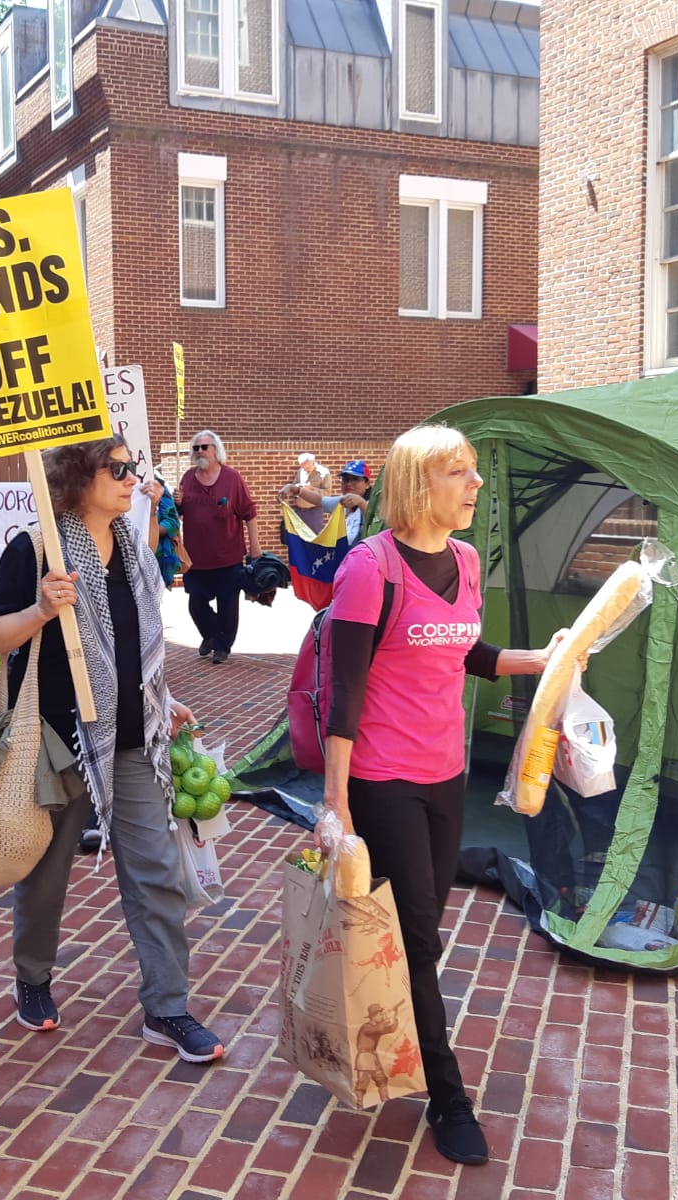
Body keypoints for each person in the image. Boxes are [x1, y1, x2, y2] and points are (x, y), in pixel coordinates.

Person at [320, 424, 559, 1166]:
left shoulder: (462, 559)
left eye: (475, 473)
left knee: (416, 930)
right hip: (382, 780)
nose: (476, 485)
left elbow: (466, 652)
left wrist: (545, 661)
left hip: (444, 776)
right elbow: (343, 693)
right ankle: (447, 1093)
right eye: (461, 472)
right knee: (420, 937)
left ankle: (390, 1038)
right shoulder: (369, 568)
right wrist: (336, 803)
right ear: (420, 483)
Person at [0, 435, 224, 1063]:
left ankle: (167, 1008)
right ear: (75, 476)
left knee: (157, 874)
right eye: (115, 469)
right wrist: (38, 609)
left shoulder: (138, 557)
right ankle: (32, 978)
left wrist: (162, 702)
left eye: (131, 468)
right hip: (58, 741)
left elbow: (131, 648)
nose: (128, 478)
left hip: (133, 737)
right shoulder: (38, 548)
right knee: (45, 874)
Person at [176, 430, 260, 664]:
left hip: (227, 555)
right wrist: (177, 503)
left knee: (228, 604)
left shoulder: (232, 478)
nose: (200, 451)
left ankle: (223, 646)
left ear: (216, 450)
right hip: (196, 557)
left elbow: (249, 512)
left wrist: (255, 546)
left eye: (205, 447)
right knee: (196, 603)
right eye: (196, 448)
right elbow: (179, 514)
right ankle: (211, 635)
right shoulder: (188, 478)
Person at [283, 459, 373, 545]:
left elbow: (375, 522)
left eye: (355, 479)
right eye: (346, 479)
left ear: (367, 484)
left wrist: (361, 503)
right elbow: (320, 500)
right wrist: (296, 490)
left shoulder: (375, 503)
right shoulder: (342, 502)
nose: (349, 483)